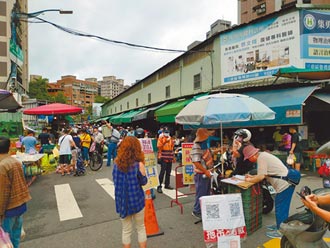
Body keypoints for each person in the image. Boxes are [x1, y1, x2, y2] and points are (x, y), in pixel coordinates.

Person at [243, 144, 294, 238]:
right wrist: (252, 177)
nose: (249, 160)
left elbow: (261, 176)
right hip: (283, 183)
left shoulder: (261, 158)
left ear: (252, 155)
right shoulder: (262, 156)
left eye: (248, 158)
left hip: (285, 184)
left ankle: (281, 232)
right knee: (280, 207)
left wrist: (249, 180)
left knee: (281, 209)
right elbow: (264, 174)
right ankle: (279, 226)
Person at [112, 136, 147, 248]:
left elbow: (115, 180)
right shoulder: (138, 165)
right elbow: (144, 182)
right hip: (137, 200)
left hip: (122, 201)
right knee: (141, 228)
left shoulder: (116, 164)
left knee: (126, 230)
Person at [0, 136, 32, 248]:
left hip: (9, 209)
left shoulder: (2, 166)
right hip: (20, 204)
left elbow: (2, 193)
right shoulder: (16, 161)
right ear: (9, 148)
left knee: (6, 239)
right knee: (15, 237)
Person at [190, 128, 216, 219]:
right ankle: (196, 211)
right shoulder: (196, 146)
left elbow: (207, 153)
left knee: (206, 192)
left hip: (207, 172)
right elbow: (196, 162)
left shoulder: (204, 145)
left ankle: (203, 209)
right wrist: (206, 171)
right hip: (201, 174)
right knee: (201, 193)